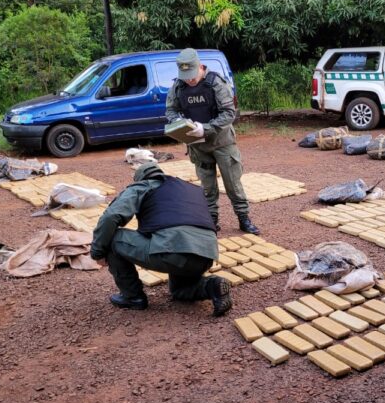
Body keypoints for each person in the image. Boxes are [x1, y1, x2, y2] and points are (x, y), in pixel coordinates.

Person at [90, 162, 232, 315]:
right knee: (180, 290)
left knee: (113, 238)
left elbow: (111, 217)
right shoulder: (189, 188)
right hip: (205, 255)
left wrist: (97, 252)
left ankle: (133, 297)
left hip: (174, 253)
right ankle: (212, 286)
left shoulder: (143, 186)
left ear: (140, 179)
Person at [166, 48, 260, 235]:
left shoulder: (215, 83)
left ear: (200, 67)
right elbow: (170, 110)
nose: (190, 80)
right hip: (198, 145)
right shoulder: (178, 87)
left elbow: (229, 113)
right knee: (207, 188)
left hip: (222, 143)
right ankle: (211, 221)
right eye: (186, 76)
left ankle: (244, 219)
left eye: (192, 75)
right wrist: (177, 121)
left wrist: (207, 128)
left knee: (233, 184)